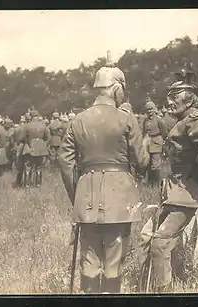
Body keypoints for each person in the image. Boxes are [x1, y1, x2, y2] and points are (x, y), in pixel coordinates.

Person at [58, 53, 149, 294]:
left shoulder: (77, 120)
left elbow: (64, 161)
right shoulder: (126, 118)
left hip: (86, 194)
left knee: (89, 257)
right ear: (116, 89)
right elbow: (141, 160)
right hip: (119, 194)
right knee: (115, 255)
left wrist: (75, 193)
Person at [139, 70, 198, 292]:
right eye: (169, 97)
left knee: (159, 242)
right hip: (179, 190)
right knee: (147, 235)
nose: (169, 102)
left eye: (174, 97)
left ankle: (164, 291)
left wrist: (197, 172)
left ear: (187, 99)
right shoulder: (185, 119)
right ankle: (146, 284)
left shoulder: (192, 120)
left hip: (189, 192)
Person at [16, 109, 50, 187]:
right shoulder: (43, 125)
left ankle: (27, 185)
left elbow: (22, 137)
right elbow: (47, 137)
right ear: (37, 116)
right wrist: (42, 144)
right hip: (41, 149)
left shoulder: (27, 126)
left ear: (30, 116)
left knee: (28, 167)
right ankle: (38, 185)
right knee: (39, 167)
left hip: (29, 147)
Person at [142, 100, 168, 186]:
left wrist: (163, 142)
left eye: (151, 109)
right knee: (148, 164)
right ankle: (150, 182)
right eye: (148, 110)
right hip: (148, 143)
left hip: (157, 142)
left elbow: (164, 132)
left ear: (154, 109)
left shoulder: (159, 120)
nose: (149, 111)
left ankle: (157, 184)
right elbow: (144, 131)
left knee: (155, 165)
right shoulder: (145, 120)